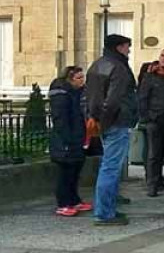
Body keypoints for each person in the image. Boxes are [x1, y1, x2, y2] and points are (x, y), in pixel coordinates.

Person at [86, 34, 138, 226]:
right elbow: (114, 99)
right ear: (118, 47)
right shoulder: (119, 68)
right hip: (116, 121)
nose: (129, 50)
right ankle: (104, 213)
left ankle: (107, 208)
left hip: (102, 121)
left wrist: (94, 117)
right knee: (111, 167)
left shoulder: (96, 65)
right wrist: (106, 119)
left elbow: (90, 95)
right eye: (127, 46)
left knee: (108, 166)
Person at [49, 66, 91, 217]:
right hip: (66, 139)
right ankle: (63, 203)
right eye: (79, 78)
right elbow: (61, 120)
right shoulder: (61, 95)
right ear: (70, 79)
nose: (82, 81)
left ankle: (74, 199)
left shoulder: (77, 93)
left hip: (78, 137)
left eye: (82, 77)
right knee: (65, 173)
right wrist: (67, 140)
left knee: (75, 171)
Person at [137, 48, 164, 197]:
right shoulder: (150, 76)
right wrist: (146, 117)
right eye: (163, 56)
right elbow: (142, 98)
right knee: (154, 155)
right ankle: (153, 184)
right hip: (154, 120)